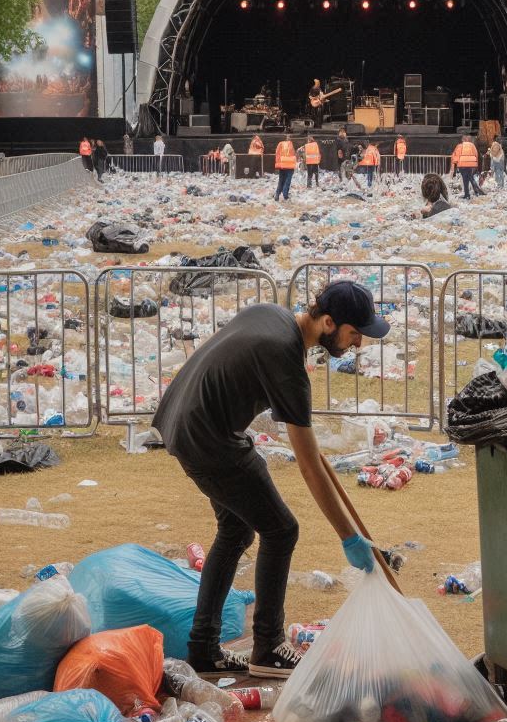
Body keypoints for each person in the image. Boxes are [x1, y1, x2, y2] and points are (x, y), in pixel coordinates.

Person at [153, 281, 386, 678]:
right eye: (354, 333)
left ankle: (204, 648)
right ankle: (270, 646)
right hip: (208, 437)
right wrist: (348, 536)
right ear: (328, 322)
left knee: (236, 529)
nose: (358, 344)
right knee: (281, 530)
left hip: (184, 420)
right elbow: (309, 466)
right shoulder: (285, 359)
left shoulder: (273, 315)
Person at [449, 135, 482, 200]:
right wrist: (476, 164)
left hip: (462, 165)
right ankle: (476, 192)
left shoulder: (459, 146)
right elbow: (476, 154)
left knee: (465, 180)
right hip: (470, 164)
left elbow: (455, 156)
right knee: (470, 178)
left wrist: (454, 165)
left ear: (462, 140)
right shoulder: (472, 145)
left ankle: (467, 194)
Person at [273, 136, 296, 201]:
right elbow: (294, 154)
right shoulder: (291, 145)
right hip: (290, 166)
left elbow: (277, 154)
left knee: (281, 180)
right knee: (287, 181)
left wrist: (278, 164)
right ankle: (285, 195)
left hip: (282, 165)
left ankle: (277, 194)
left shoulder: (280, 144)